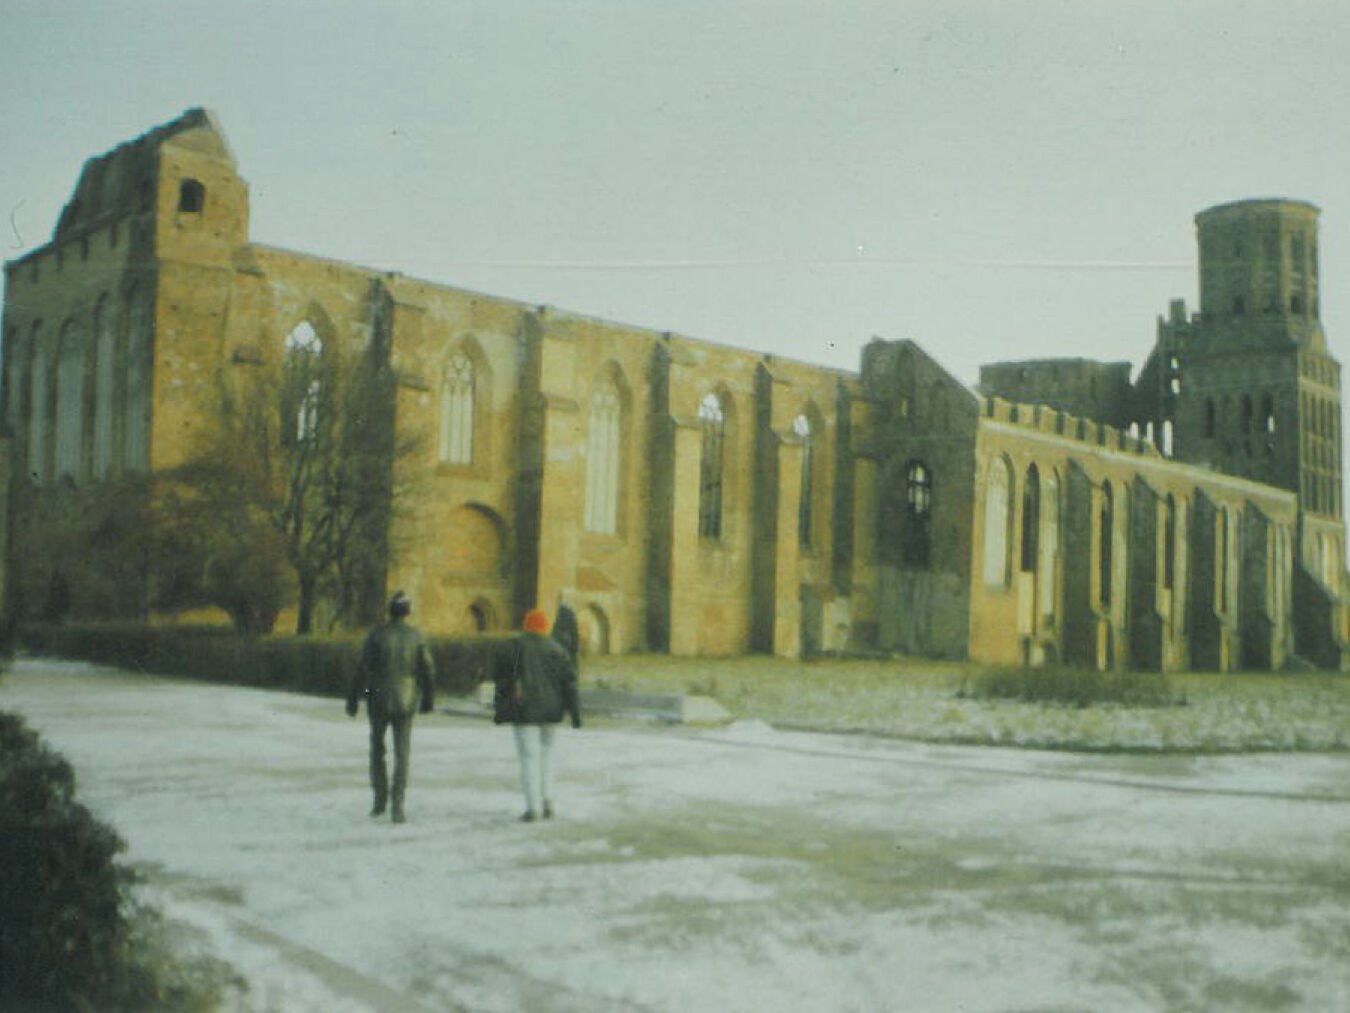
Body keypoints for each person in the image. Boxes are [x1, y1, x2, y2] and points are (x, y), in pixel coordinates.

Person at [347, 590, 436, 824]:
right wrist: (427, 699)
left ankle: (379, 800)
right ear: (408, 612)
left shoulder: (377, 635)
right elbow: (428, 670)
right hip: (406, 700)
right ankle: (398, 805)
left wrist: (354, 698)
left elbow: (362, 668)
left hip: (378, 697)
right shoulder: (416, 636)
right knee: (402, 753)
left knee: (378, 750)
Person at [494, 608, 581, 822]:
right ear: (544, 627)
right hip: (552, 712)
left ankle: (532, 808)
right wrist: (576, 712)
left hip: (525, 712)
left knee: (528, 758)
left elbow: (503, 680)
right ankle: (548, 801)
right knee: (548, 756)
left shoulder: (515, 647)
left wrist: (500, 709)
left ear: (526, 626)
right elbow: (570, 683)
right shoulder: (557, 650)